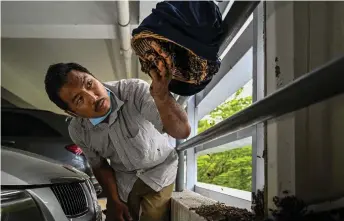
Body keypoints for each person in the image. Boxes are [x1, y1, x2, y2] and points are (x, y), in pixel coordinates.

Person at [44, 62, 191, 221]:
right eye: (79, 99)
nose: (93, 97)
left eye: (89, 84)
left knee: (152, 217)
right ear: (72, 112)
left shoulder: (134, 91)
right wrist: (113, 200)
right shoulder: (78, 130)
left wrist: (162, 98)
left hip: (159, 170)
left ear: (96, 78)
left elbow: (182, 131)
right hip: (124, 181)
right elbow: (99, 165)